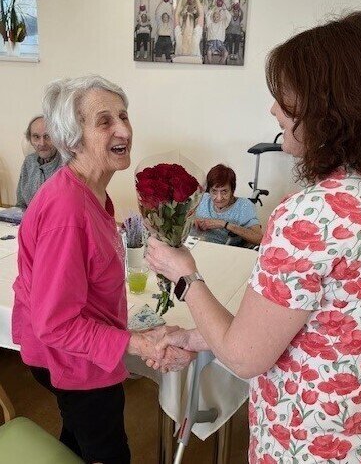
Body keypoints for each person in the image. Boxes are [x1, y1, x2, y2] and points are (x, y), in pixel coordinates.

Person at [145, 12, 361, 463]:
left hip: (304, 446)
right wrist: (194, 338)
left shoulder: (311, 214)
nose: (274, 110)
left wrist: (186, 276)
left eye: (285, 98)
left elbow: (245, 356)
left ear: (329, 110)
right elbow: (310, 330)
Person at [12, 75, 194, 464]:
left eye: (123, 116)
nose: (124, 130)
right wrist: (139, 344)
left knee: (79, 435)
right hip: (71, 359)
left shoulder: (90, 191)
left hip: (79, 351)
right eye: (105, 121)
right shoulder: (67, 211)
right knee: (108, 450)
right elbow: (55, 324)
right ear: (72, 139)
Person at [192, 164, 262, 246]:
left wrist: (224, 224)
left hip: (221, 249)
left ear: (232, 190)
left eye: (224, 191)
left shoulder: (244, 206)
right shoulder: (203, 198)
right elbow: (183, 218)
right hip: (194, 246)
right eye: (214, 191)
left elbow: (259, 239)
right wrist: (192, 221)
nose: (219, 198)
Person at [16, 115, 62, 209]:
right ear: (30, 139)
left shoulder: (68, 164)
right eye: (36, 137)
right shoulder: (29, 162)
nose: (42, 143)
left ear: (57, 137)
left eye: (48, 136)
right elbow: (21, 203)